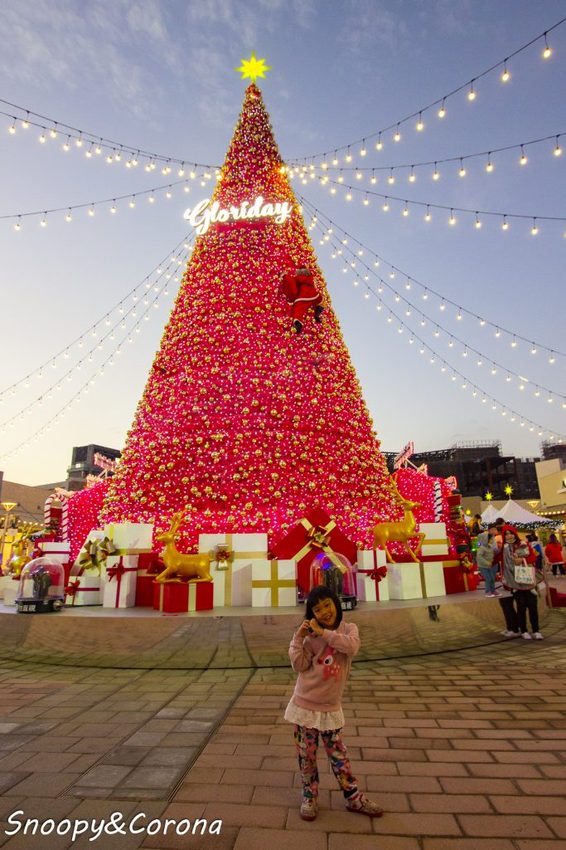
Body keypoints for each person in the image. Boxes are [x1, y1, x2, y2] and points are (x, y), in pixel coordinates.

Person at [285, 586, 383, 821]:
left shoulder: (348, 629)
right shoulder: (309, 638)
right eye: (317, 609)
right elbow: (299, 665)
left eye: (327, 605)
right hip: (304, 707)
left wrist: (325, 633)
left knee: (339, 755)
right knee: (306, 756)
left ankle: (353, 797)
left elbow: (351, 647)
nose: (324, 611)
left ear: (336, 604)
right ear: (311, 614)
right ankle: (309, 795)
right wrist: (299, 637)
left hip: (330, 709)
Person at [501, 527, 543, 640]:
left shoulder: (523, 544)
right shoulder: (504, 548)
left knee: (533, 607)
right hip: (515, 582)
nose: (509, 536)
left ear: (515, 534)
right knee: (521, 608)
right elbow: (501, 561)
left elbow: (533, 557)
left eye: (511, 534)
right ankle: (524, 630)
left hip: (528, 581)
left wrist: (523, 560)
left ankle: (536, 630)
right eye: (506, 534)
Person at [278, 267, 324, 334]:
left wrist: (285, 276)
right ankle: (317, 313)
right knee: (321, 301)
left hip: (303, 297)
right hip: (315, 295)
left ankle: (298, 324)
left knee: (298, 311)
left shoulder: (297, 278)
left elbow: (291, 283)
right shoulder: (311, 278)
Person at [476, 523, 499, 596]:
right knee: (488, 578)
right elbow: (479, 554)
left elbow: (495, 550)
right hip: (484, 563)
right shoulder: (483, 540)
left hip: (492, 562)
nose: (494, 531)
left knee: (492, 577)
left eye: (495, 529)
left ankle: (492, 590)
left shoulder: (492, 541)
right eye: (492, 529)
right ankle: (487, 591)